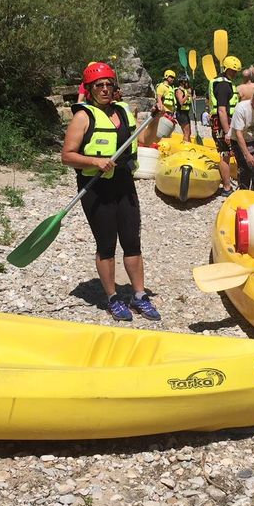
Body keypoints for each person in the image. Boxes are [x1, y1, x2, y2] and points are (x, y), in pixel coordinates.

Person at [61, 62, 164, 323]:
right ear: (90, 89)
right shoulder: (83, 117)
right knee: (106, 245)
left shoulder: (124, 112)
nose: (105, 89)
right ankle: (113, 298)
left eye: (109, 84)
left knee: (132, 242)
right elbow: (67, 156)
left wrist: (156, 118)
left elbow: (147, 140)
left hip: (123, 185)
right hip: (96, 188)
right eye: (99, 85)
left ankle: (139, 295)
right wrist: (95, 162)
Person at [209, 55, 243, 196]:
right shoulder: (223, 85)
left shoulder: (222, 82)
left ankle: (230, 184)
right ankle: (227, 188)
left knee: (227, 153)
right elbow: (222, 110)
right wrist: (227, 131)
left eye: (236, 71)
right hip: (222, 124)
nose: (235, 73)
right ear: (226, 69)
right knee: (225, 154)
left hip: (224, 122)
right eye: (232, 71)